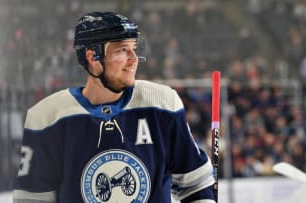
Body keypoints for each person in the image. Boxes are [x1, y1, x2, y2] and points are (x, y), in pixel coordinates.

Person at [13, 11, 216, 203]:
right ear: (92, 57)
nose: (134, 60)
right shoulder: (48, 118)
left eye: (133, 49)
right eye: (121, 50)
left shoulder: (162, 104)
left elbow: (197, 183)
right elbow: (32, 199)